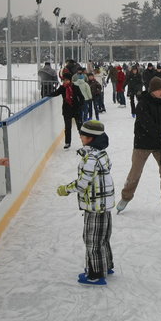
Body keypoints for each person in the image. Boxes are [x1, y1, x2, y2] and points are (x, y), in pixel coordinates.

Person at [56, 120, 115, 285]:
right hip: (104, 203)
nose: (80, 136)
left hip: (95, 205)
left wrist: (65, 189)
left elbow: (83, 183)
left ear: (90, 138)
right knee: (102, 238)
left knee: (92, 240)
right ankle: (106, 265)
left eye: (82, 134)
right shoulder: (102, 154)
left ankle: (96, 274)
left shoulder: (91, 158)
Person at [116, 76, 161, 214]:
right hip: (142, 144)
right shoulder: (142, 104)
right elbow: (147, 125)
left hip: (160, 144)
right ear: (151, 91)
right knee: (135, 173)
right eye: (158, 90)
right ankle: (125, 197)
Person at [50, 74, 85, 149]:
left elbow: (82, 98)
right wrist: (47, 95)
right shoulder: (62, 88)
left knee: (80, 127)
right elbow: (56, 93)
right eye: (64, 80)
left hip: (76, 110)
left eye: (67, 80)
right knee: (68, 127)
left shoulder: (76, 87)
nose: (65, 81)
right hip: (67, 110)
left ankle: (84, 142)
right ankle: (67, 142)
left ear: (70, 80)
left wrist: (80, 106)